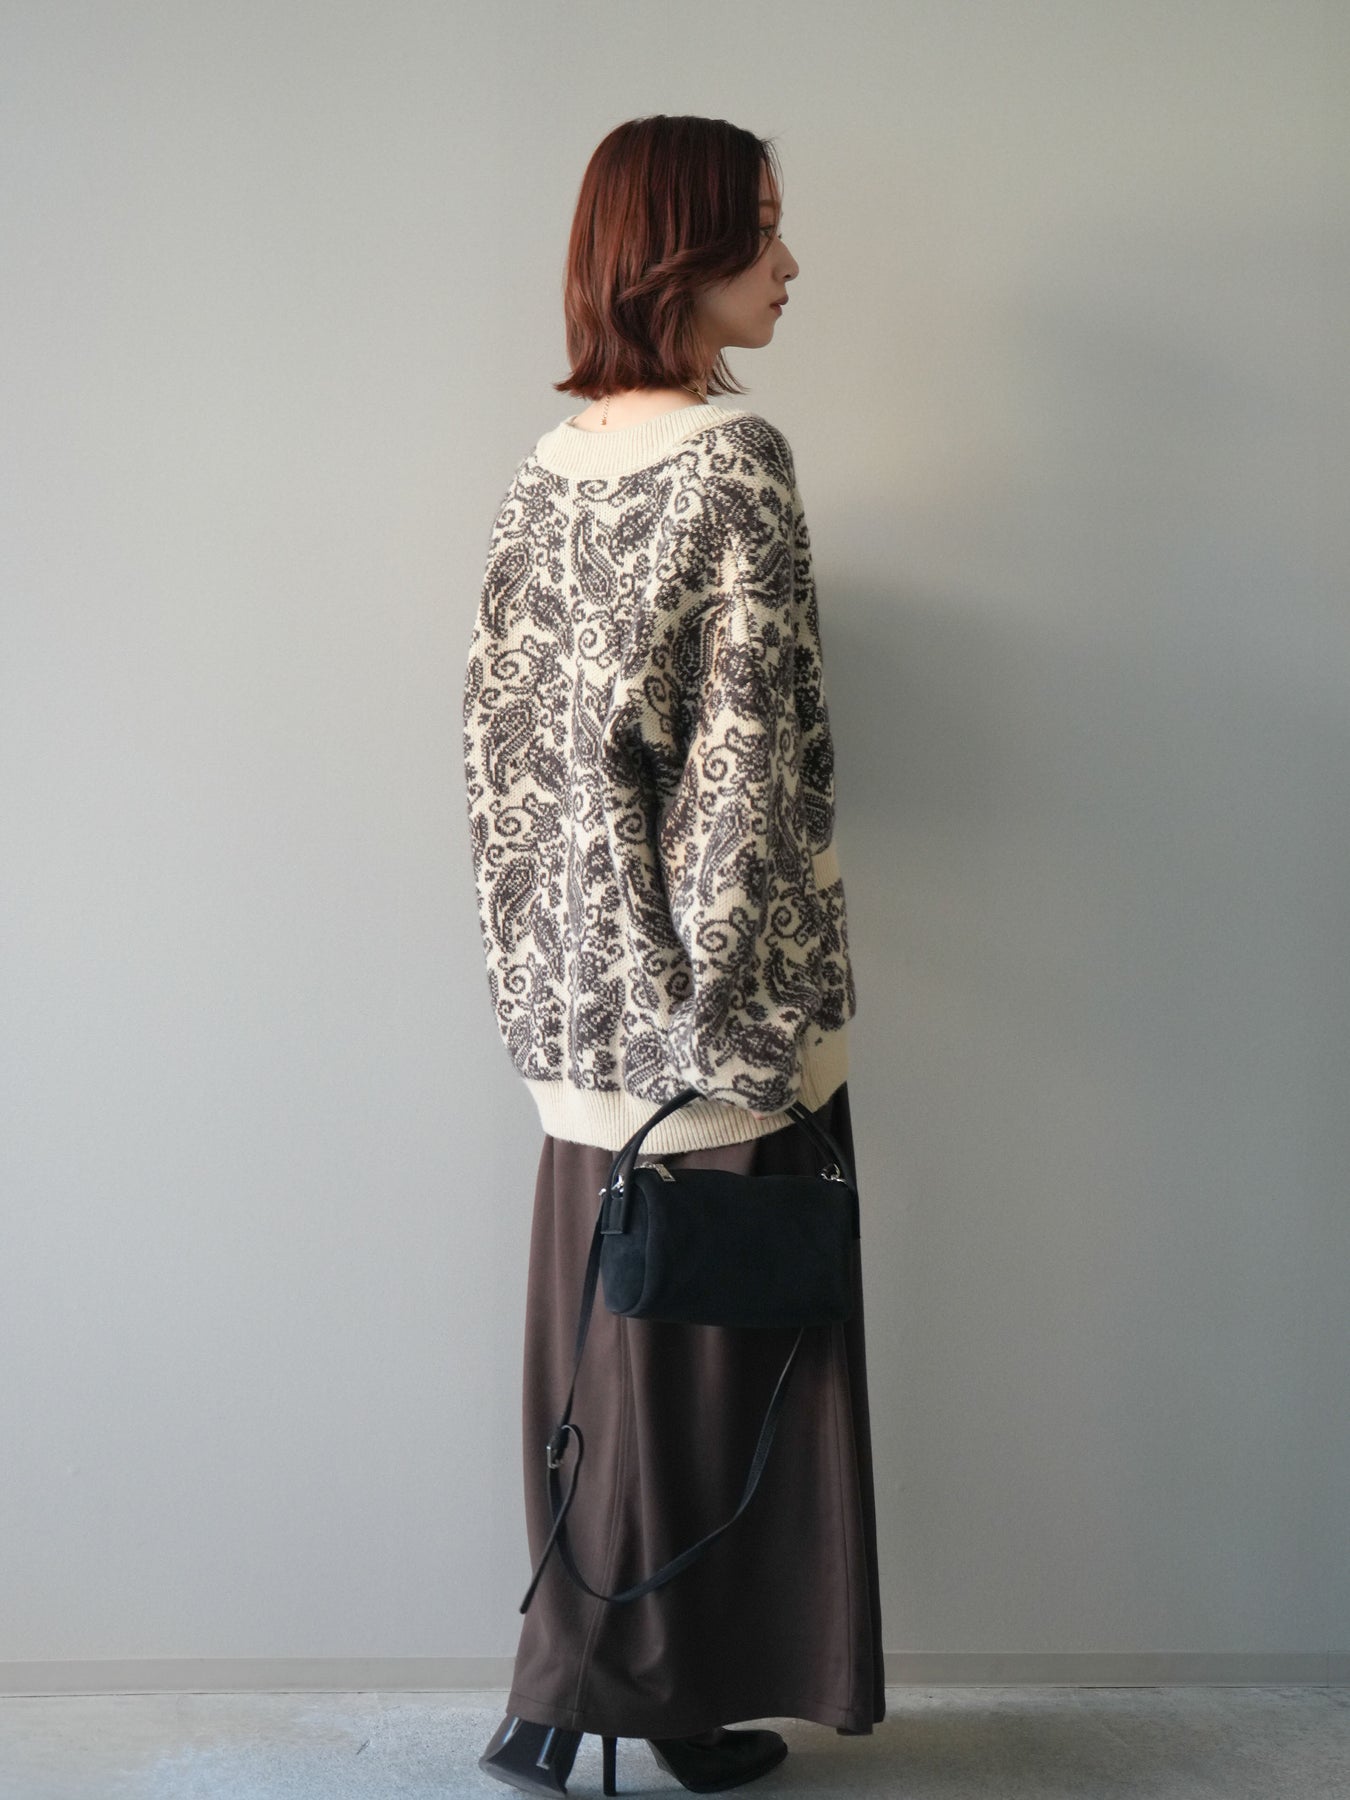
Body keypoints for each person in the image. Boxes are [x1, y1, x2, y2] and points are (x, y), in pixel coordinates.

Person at [462, 114, 884, 1796]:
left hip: (576, 1011)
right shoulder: (732, 460)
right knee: (717, 1377)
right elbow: (746, 777)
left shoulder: (546, 469)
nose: (790, 265)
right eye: (759, 231)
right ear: (678, 251)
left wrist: (555, 990)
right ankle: (594, 1687)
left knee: (603, 1359)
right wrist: (751, 1023)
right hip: (716, 1005)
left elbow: (504, 760)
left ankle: (597, 1701)